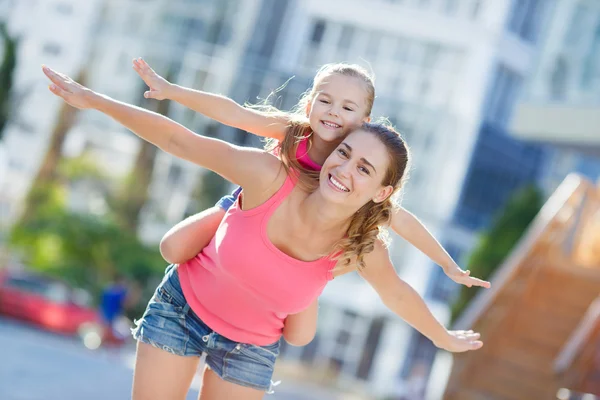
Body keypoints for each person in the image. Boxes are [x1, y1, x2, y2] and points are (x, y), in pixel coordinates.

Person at [42, 65, 484, 400]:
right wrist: (97, 99)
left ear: (382, 191)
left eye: (363, 167)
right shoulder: (286, 150)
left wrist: (444, 318)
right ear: (311, 104)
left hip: (250, 345)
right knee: (174, 245)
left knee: (300, 328)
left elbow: (399, 291)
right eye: (344, 153)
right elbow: (184, 139)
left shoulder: (364, 238)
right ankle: (227, 221)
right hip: (187, 303)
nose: (345, 166)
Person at [132, 58, 491, 291]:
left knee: (297, 315)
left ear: (363, 121)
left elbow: (403, 221)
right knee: (172, 247)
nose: (333, 112)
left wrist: (448, 265)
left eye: (347, 107)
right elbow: (234, 113)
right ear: (309, 102)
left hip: (300, 241)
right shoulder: (294, 131)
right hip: (247, 215)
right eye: (325, 100)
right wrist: (172, 92)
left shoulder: (355, 162)